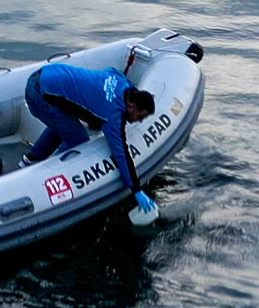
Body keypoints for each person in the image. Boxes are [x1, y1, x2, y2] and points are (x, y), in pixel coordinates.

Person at [20, 62, 160, 221]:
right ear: (130, 106)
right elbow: (121, 154)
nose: (140, 121)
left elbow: (110, 71)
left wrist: (94, 118)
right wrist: (136, 190)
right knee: (78, 139)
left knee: (66, 126)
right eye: (140, 116)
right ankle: (46, 175)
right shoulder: (112, 116)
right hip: (40, 94)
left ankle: (30, 160)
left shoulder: (121, 81)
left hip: (46, 74)